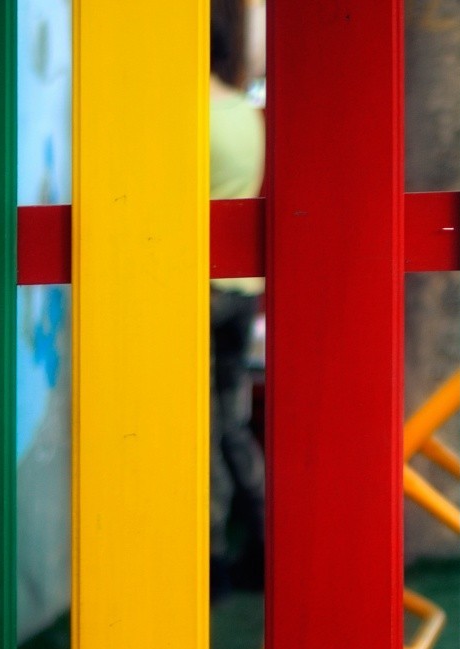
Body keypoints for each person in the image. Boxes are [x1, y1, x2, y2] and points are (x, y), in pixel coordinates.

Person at [209, 0, 267, 598]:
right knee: (231, 423)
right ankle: (264, 544)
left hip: (196, 292)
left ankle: (211, 563)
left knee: (198, 428)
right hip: (242, 292)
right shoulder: (242, 114)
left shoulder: (183, 115)